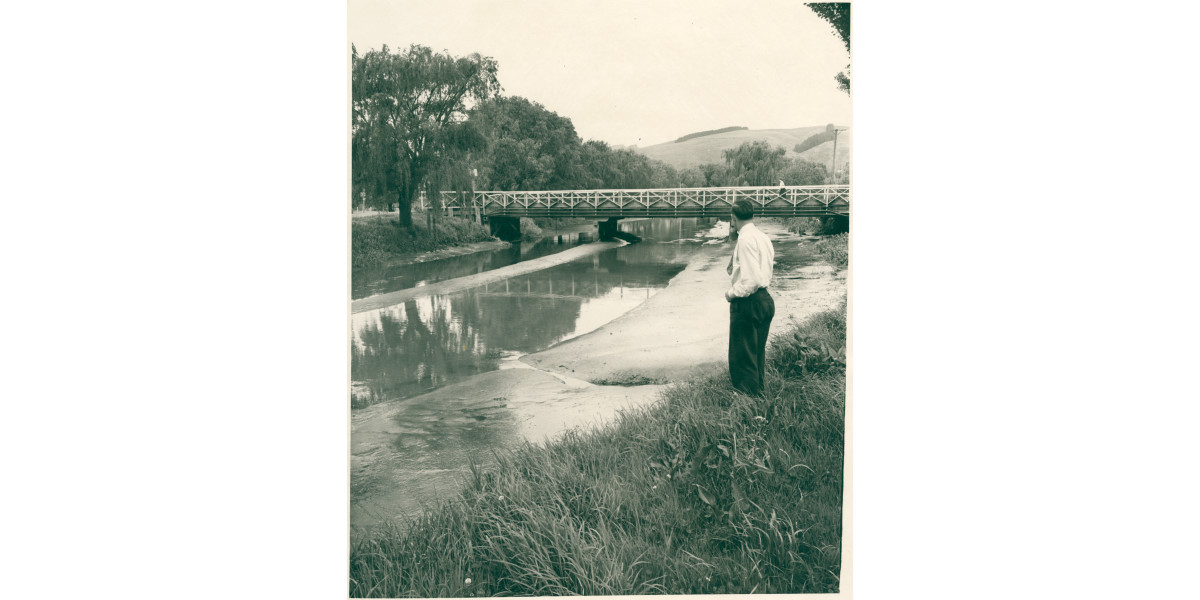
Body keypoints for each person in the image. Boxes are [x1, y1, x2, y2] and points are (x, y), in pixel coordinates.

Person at [725, 200, 775, 396]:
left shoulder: (745, 240)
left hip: (748, 303)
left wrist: (731, 293)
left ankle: (748, 406)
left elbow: (751, 281)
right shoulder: (763, 237)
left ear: (733, 218)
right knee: (756, 356)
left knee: (742, 359)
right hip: (765, 300)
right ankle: (759, 399)